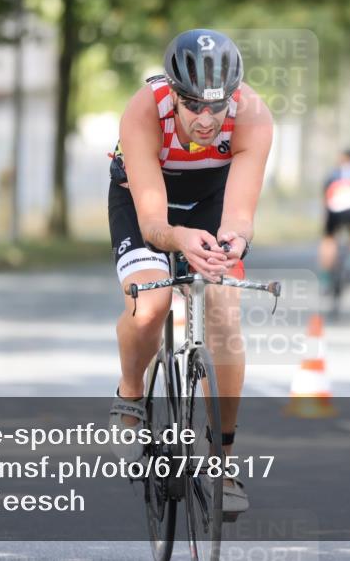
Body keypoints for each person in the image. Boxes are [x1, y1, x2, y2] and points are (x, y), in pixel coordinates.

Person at [107, 29, 273, 516]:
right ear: (175, 95)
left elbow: (239, 216)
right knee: (150, 306)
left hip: (209, 201)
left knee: (222, 310)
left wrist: (232, 243)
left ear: (234, 97)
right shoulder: (144, 110)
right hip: (146, 202)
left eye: (217, 107)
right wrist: (179, 240)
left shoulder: (254, 117)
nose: (206, 119)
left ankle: (220, 459)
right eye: (194, 105)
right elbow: (155, 222)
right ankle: (131, 395)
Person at [318, 149, 350, 292]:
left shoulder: (333, 175)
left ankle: (325, 277)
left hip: (335, 209)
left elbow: (326, 199)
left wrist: (325, 219)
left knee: (328, 239)